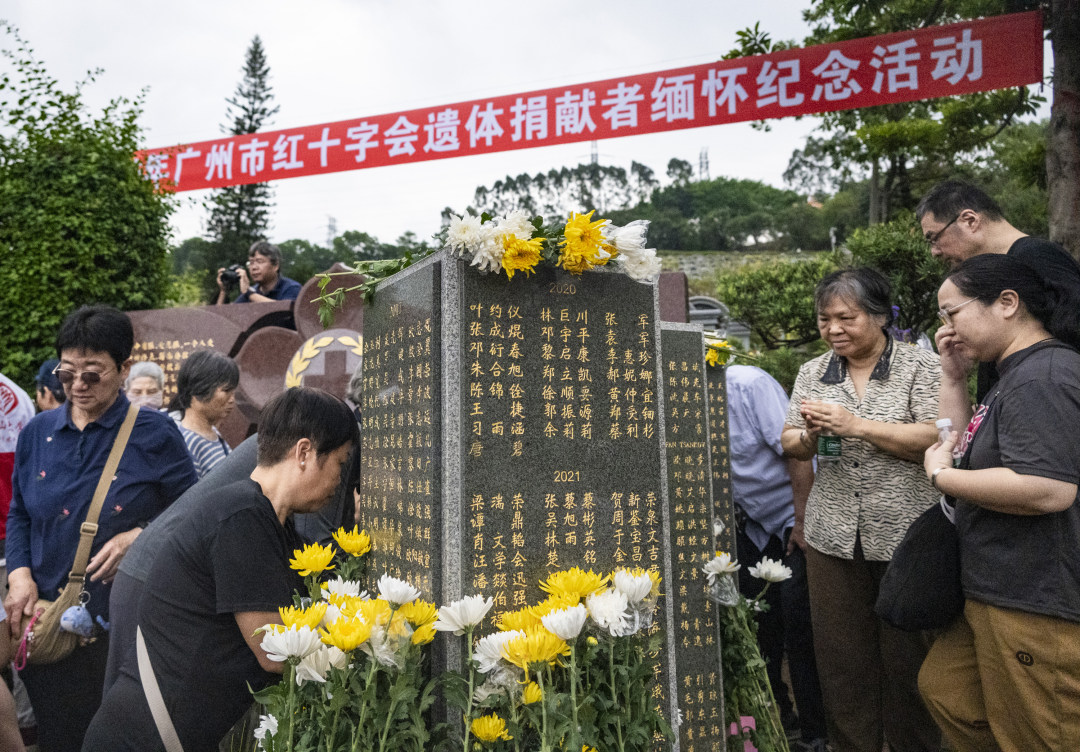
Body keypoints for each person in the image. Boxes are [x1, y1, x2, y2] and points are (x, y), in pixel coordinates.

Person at [84, 387, 358, 751]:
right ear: (305, 452)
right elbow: (273, 646)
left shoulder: (270, 521)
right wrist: (361, 640)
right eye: (340, 464)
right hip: (142, 739)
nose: (341, 481)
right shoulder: (242, 514)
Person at [4, 305, 198, 752]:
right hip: (47, 623)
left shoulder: (154, 433)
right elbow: (20, 513)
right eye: (67, 373)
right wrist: (19, 574)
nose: (76, 386)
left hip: (120, 629)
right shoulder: (37, 432)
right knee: (58, 736)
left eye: (92, 373)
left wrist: (141, 534)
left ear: (122, 368)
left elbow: (190, 512)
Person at [919, 254, 1080, 750]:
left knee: (1039, 735)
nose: (946, 327)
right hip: (996, 584)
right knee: (949, 693)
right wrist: (952, 377)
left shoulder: (1043, 377)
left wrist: (943, 477)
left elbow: (1048, 489)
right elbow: (959, 441)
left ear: (1007, 303)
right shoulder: (1013, 372)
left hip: (1035, 594)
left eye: (953, 313)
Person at [780, 268, 942, 752]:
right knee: (842, 664)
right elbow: (789, 440)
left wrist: (857, 425)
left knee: (908, 660)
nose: (833, 330)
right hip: (833, 539)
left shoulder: (921, 367)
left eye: (846, 318)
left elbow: (935, 437)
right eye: (824, 320)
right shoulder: (813, 371)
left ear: (878, 316)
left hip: (906, 536)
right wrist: (810, 437)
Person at [727, 363, 827, 752]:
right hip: (750, 523)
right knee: (757, 622)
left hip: (793, 515)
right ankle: (775, 716)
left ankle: (818, 731)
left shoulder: (748, 386)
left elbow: (798, 451)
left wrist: (802, 521)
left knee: (799, 622)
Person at [916, 179, 1080, 400]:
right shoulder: (1008, 263)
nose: (934, 252)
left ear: (970, 220)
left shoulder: (1037, 257)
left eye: (934, 238)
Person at [170, 350, 239, 478]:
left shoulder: (212, 432)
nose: (231, 400)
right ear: (199, 389)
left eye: (233, 392)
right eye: (226, 391)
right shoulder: (186, 443)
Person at [216, 240, 301, 304]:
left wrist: (249, 294)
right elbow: (223, 320)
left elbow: (282, 309)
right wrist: (223, 291)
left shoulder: (292, 288)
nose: (254, 267)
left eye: (259, 261)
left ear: (275, 266)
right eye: (251, 262)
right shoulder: (254, 291)